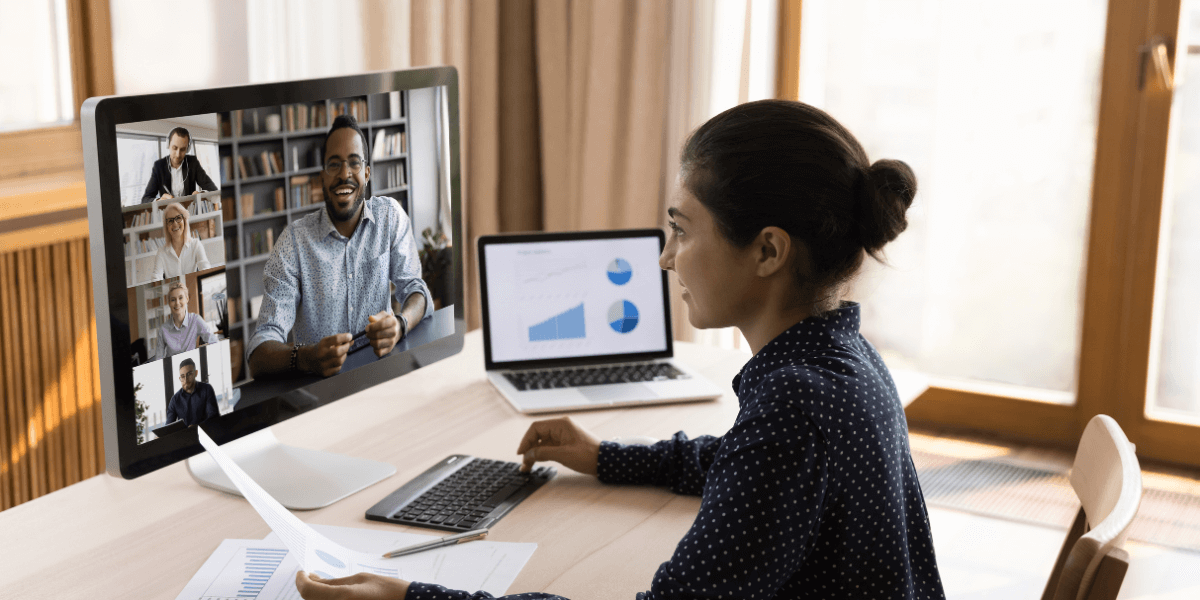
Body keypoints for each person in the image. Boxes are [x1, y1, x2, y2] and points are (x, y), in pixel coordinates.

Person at [294, 100, 947, 600]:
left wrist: (413, 596)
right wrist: (602, 456)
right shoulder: (845, 362)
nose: (665, 257)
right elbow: (737, 465)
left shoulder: (797, 404)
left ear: (768, 251)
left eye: (681, 230)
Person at [247, 115, 432, 378]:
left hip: (385, 375)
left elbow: (416, 290)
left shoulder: (390, 216)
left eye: (354, 163)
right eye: (334, 165)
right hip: (322, 392)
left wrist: (401, 324)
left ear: (366, 173)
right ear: (322, 177)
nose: (344, 174)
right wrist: (305, 358)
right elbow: (259, 352)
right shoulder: (294, 242)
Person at [140, 126, 218, 203]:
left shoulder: (192, 162)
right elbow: (146, 199)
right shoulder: (159, 166)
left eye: (183, 149)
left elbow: (213, 189)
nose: (178, 155)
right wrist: (158, 201)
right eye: (174, 148)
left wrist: (202, 194)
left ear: (187, 149)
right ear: (168, 145)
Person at [155, 281, 219, 361]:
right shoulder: (163, 329)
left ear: (187, 299)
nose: (177, 303)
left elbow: (214, 342)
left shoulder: (196, 320)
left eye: (181, 298)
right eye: (173, 300)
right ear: (169, 303)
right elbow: (158, 359)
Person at [150, 202, 212, 281]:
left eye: (178, 218)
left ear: (184, 221)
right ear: (167, 226)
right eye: (170, 220)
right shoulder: (161, 252)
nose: (175, 223)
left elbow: (206, 269)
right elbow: (156, 276)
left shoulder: (196, 244)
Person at [165, 358, 219, 426]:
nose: (186, 380)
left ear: (196, 373)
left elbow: (214, 417)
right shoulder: (175, 400)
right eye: (182, 376)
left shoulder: (206, 389)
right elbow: (169, 426)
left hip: (207, 433)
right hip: (186, 436)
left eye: (189, 374)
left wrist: (197, 427)